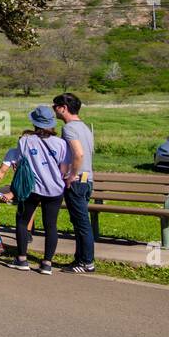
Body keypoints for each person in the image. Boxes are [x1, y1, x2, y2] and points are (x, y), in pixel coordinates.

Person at [0, 105, 71, 275]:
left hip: (31, 188)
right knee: (51, 226)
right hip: (55, 189)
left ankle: (22, 259)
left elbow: (21, 163)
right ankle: (47, 263)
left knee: (23, 221)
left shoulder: (24, 141)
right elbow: (64, 169)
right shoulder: (61, 143)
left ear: (35, 123)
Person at [54, 92, 95, 273]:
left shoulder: (69, 128)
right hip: (87, 181)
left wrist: (71, 175)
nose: (54, 110)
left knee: (82, 224)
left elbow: (78, 154)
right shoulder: (85, 127)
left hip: (77, 182)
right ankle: (79, 260)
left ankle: (87, 262)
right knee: (80, 222)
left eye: (55, 106)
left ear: (63, 108)